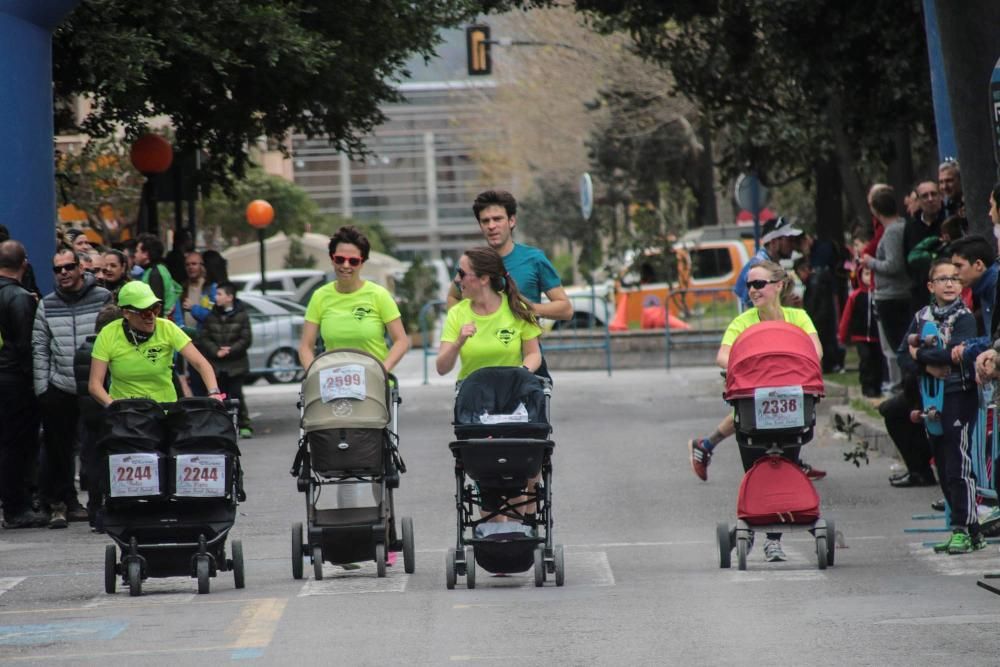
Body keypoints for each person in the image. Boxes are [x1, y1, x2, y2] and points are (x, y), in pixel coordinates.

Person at [699, 260, 822, 562]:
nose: (752, 291)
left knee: (786, 466)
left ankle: (772, 539)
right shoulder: (743, 322)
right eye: (749, 286)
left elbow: (815, 351)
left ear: (778, 285)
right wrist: (752, 370)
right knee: (756, 469)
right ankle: (755, 524)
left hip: (790, 402)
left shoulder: (798, 317)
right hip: (754, 404)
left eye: (758, 284)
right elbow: (723, 356)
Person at [898, 259, 984, 553]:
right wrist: (924, 362)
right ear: (930, 286)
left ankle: (962, 527)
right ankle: (971, 530)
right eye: (943, 279)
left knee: (958, 463)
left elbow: (953, 355)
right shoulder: (922, 316)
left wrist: (920, 354)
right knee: (942, 462)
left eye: (955, 279)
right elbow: (902, 355)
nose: (949, 284)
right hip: (931, 397)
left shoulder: (965, 317)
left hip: (959, 395)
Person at [447, 190, 571, 382]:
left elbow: (565, 308)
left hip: (528, 361)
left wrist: (524, 310)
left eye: (497, 219)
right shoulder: (471, 263)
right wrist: (463, 324)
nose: (491, 226)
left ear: (511, 221)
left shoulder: (534, 259)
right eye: (485, 221)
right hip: (484, 366)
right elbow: (453, 297)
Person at [32, 248, 112, 528]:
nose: (63, 273)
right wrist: (43, 386)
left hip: (95, 386)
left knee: (96, 445)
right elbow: (40, 347)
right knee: (58, 449)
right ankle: (63, 503)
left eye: (68, 267)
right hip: (61, 384)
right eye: (58, 269)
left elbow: (114, 338)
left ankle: (100, 501)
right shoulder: (47, 304)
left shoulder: (103, 298)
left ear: (81, 268)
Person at [88, 281, 221, 407]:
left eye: (155, 309)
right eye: (145, 312)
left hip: (165, 409)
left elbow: (201, 363)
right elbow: (95, 385)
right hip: (126, 414)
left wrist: (214, 393)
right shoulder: (108, 334)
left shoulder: (168, 328)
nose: (152, 316)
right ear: (127, 313)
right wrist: (113, 406)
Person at [298, 225, 410, 373]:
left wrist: (383, 370)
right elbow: (305, 346)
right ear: (332, 259)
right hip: (334, 384)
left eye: (353, 261)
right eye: (339, 259)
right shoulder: (320, 296)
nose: (345, 265)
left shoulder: (379, 295)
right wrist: (313, 373)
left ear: (362, 263)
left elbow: (401, 341)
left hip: (373, 386)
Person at [0, 240, 46, 528]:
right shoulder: (19, 298)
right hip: (14, 382)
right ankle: (17, 508)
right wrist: (35, 384)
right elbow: (27, 347)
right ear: (24, 264)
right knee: (16, 446)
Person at [860, 185, 909, 394]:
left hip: (892, 295)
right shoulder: (898, 227)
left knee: (894, 344)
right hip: (890, 294)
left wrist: (870, 262)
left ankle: (899, 385)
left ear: (876, 210)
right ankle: (898, 383)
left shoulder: (892, 232)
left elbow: (893, 265)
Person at [197, 282, 253, 437]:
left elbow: (246, 338)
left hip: (237, 364)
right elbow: (205, 337)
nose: (216, 297)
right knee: (219, 396)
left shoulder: (242, 315)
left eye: (219, 294)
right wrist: (216, 351)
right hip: (217, 364)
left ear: (230, 297)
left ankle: (244, 424)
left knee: (236, 395)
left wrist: (231, 349)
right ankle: (222, 425)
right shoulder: (211, 315)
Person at [733, 216, 803, 308]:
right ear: (773, 242)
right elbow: (753, 304)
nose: (792, 244)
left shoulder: (771, 264)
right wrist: (783, 303)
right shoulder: (759, 268)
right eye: (788, 240)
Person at [838, 266, 883, 398]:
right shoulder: (855, 296)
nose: (869, 278)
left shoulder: (879, 294)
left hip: (876, 336)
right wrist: (843, 335)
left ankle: (877, 386)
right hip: (860, 336)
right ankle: (866, 386)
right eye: (866, 274)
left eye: (871, 274)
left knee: (878, 361)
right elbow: (846, 316)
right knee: (866, 359)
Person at [902, 180, 946, 311]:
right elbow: (906, 259)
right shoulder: (911, 227)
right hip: (920, 293)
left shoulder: (949, 222)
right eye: (925, 196)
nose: (930, 199)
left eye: (934, 194)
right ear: (919, 201)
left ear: (940, 196)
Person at [134, 233, 182, 324]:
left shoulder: (155, 273)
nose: (135, 255)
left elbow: (156, 307)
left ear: (145, 254)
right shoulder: (159, 269)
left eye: (137, 251)